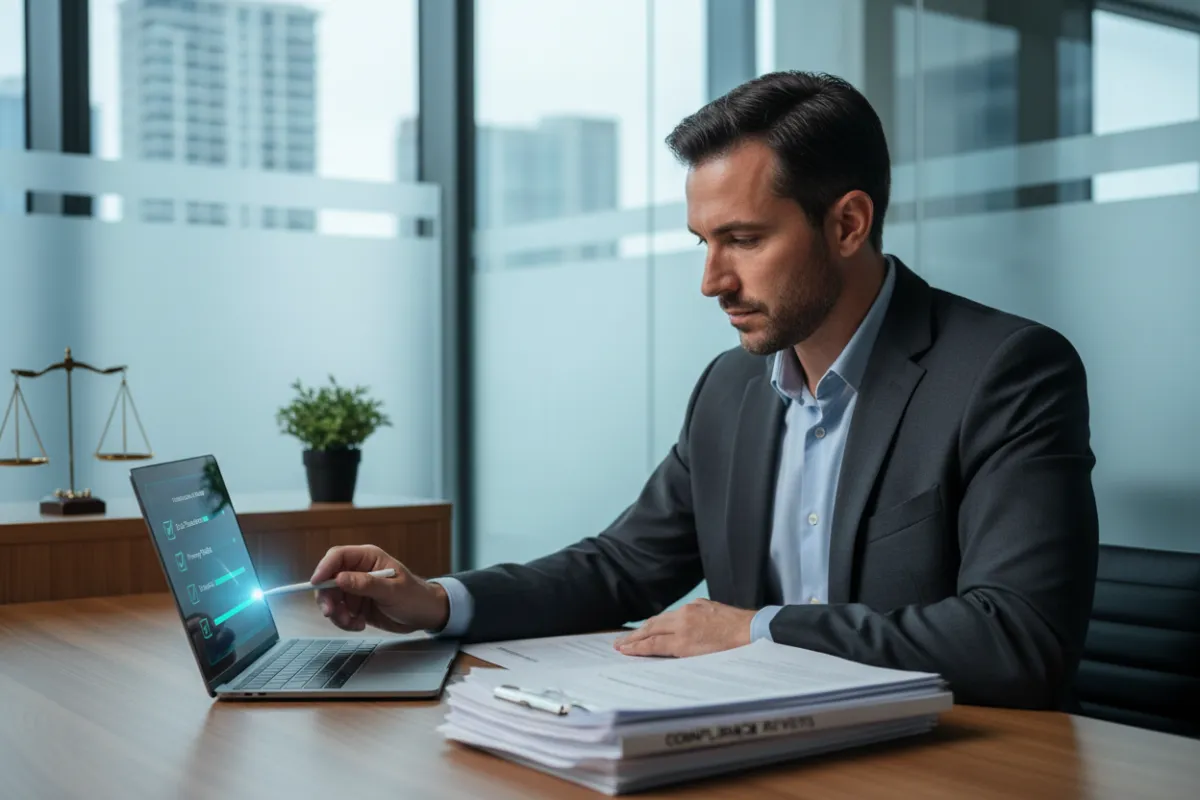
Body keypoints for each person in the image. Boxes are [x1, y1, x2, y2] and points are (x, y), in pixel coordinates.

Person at [310, 71, 1099, 710]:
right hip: (759, 750)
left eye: (744, 240)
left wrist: (758, 631)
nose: (712, 281)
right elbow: (619, 568)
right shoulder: (732, 387)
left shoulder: (1006, 371)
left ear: (849, 224)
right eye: (703, 241)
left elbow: (1016, 639)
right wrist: (437, 602)